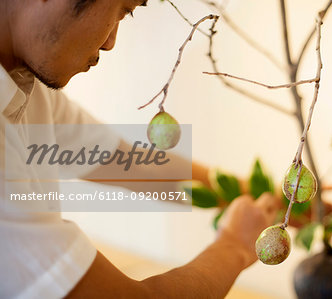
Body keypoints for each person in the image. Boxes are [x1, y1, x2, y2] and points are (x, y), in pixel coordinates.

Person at [0, 0, 280, 298]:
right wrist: (235, 246)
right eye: (122, 8)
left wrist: (259, 196)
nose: (110, 43)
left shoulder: (28, 86)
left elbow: (126, 162)